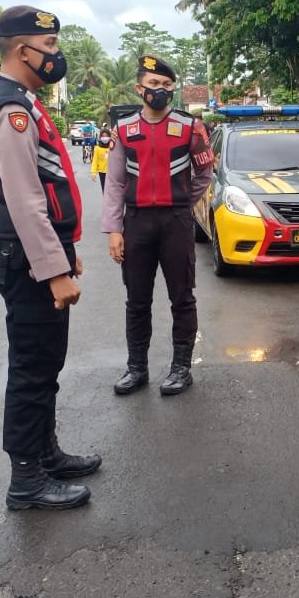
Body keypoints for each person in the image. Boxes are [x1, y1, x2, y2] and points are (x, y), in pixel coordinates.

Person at [0, 5, 102, 511]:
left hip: (37, 251)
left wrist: (64, 253)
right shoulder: (13, 110)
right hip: (25, 256)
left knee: (47, 361)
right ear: (23, 49)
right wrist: (53, 269)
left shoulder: (22, 101)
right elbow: (25, 198)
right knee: (31, 367)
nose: (55, 57)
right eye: (48, 48)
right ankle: (26, 478)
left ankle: (45, 453)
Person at [102, 55, 215, 396]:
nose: (160, 91)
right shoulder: (124, 130)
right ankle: (137, 368)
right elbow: (115, 182)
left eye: (167, 85)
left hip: (176, 222)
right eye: (153, 84)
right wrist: (114, 230)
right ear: (140, 88)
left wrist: (182, 201)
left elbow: (204, 174)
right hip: (136, 223)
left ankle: (181, 368)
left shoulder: (190, 127)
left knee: (182, 297)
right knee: (137, 300)